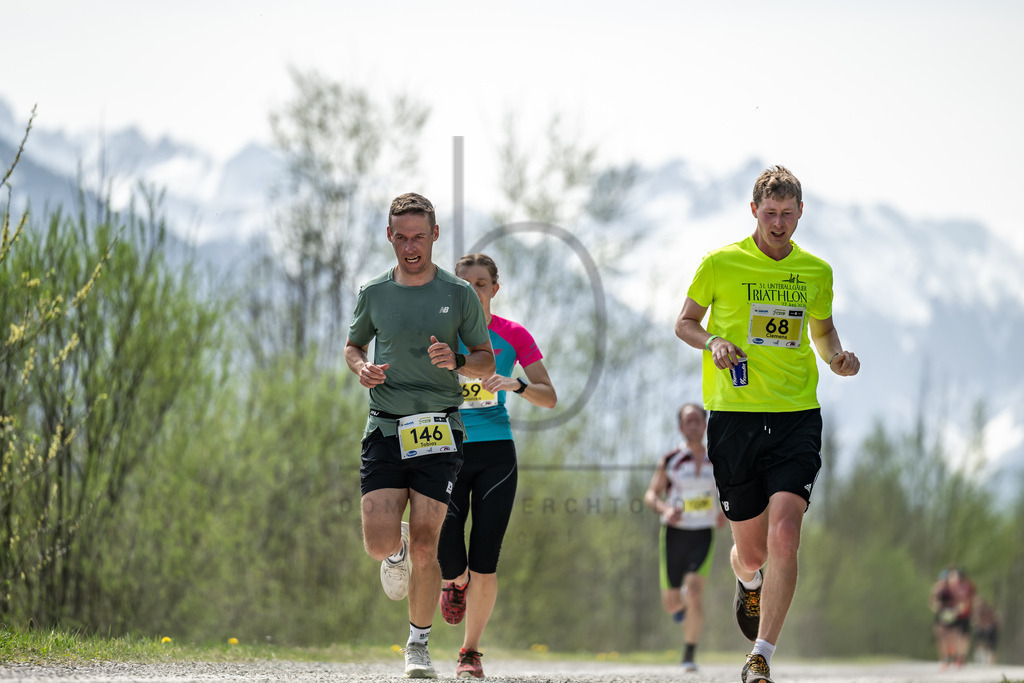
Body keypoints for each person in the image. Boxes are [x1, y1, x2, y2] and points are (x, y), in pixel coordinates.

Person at [674, 166, 860, 683]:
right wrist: (713, 342)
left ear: (801, 213)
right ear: (754, 211)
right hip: (735, 418)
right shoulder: (721, 263)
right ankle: (749, 582)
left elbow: (821, 330)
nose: (778, 223)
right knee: (752, 552)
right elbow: (684, 323)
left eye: (787, 214)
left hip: (797, 415)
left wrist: (837, 357)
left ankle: (761, 655)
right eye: (769, 213)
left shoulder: (817, 272)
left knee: (785, 535)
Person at [345, 193, 495, 679]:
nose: (411, 247)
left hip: (438, 429)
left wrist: (457, 361)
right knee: (376, 543)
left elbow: (484, 358)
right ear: (390, 237)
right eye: (401, 237)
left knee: (430, 544)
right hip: (386, 427)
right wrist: (361, 367)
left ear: (434, 235)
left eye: (419, 236)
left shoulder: (459, 293)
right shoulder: (374, 292)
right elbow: (353, 345)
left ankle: (418, 646)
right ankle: (395, 549)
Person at [436, 253, 557, 679]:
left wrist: (516, 384)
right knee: (446, 550)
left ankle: (470, 653)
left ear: (494, 289)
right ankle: (455, 579)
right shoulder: (439, 334)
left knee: (486, 559)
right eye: (464, 284)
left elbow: (549, 395)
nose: (473, 290)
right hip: (444, 449)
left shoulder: (513, 335)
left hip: (495, 453)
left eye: (481, 284)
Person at [643, 402, 725, 673]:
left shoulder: (719, 458)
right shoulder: (670, 460)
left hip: (703, 533)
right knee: (672, 602)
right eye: (688, 421)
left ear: (705, 425)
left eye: (697, 420)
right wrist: (666, 508)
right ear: (680, 427)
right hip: (675, 534)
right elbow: (651, 495)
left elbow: (730, 492)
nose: (693, 425)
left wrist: (726, 512)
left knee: (694, 591)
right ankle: (680, 609)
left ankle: (689, 654)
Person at [930, 568, 959, 668]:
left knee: (950, 636)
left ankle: (951, 654)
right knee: (940, 635)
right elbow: (933, 600)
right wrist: (935, 605)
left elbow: (957, 600)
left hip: (950, 613)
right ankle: (944, 658)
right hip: (941, 613)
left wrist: (955, 609)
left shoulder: (953, 588)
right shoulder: (937, 588)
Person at [973, 596, 999, 665]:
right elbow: (976, 620)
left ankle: (991, 660)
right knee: (980, 642)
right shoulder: (977, 611)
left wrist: (989, 626)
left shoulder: (988, 609)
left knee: (992, 645)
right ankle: (980, 657)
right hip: (981, 628)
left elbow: (994, 618)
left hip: (991, 628)